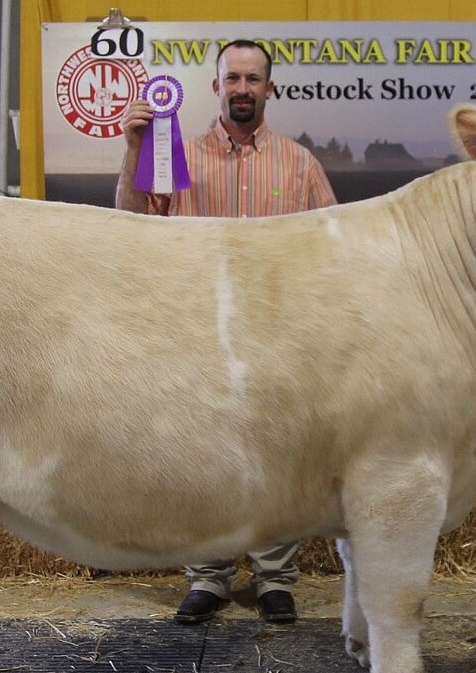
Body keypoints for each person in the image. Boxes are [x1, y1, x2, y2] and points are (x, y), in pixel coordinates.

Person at [115, 39, 337, 626]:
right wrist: (135, 146)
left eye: (253, 79)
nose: (242, 88)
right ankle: (207, 577)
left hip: (276, 329)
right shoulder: (173, 155)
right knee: (198, 454)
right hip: (196, 330)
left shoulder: (299, 164)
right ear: (216, 87)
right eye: (232, 78)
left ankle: (273, 578)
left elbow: (329, 250)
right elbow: (133, 226)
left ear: (270, 89)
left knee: (279, 452)